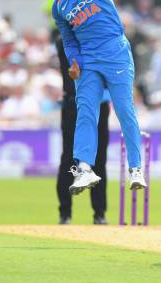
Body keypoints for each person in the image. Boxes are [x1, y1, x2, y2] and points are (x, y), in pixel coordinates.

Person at [44, 0, 146, 195]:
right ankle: (85, 169)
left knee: (124, 110)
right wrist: (74, 61)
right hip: (88, 61)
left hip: (115, 54)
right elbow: (68, 40)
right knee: (86, 112)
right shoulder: (59, 6)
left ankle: (135, 169)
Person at [55, 36, 110, 225]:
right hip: (74, 102)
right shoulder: (65, 40)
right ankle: (65, 213)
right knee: (70, 158)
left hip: (99, 103)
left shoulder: (101, 38)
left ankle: (99, 213)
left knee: (98, 159)